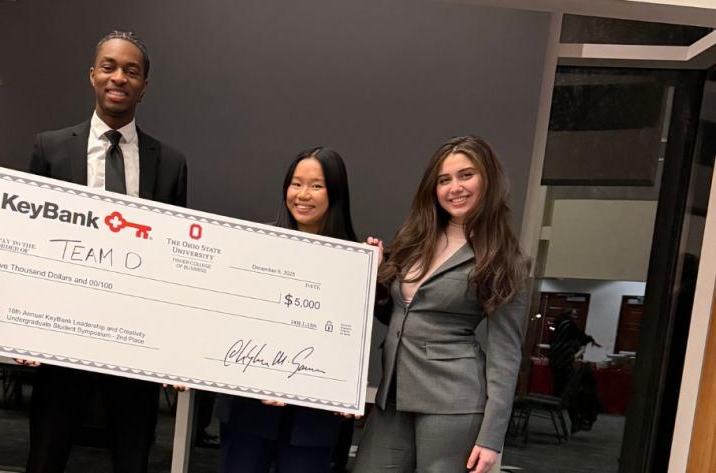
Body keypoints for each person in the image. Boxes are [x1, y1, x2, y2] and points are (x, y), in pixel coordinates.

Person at [21, 30, 188, 473]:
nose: (119, 77)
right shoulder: (51, 149)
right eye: (109, 67)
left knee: (132, 461)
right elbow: (28, 245)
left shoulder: (170, 164)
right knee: (45, 459)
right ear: (92, 75)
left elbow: (174, 263)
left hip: (136, 351)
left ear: (144, 86)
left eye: (131, 71)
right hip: (61, 340)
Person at [353, 135, 529, 473]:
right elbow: (399, 317)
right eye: (444, 179)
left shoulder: (505, 258)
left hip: (454, 403)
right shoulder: (415, 238)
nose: (454, 187)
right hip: (393, 396)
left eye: (466, 175)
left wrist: (492, 436)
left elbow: (507, 355)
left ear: (488, 180)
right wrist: (374, 276)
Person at [215, 147, 360, 473]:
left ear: (335, 193)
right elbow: (233, 320)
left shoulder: (356, 260)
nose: (302, 195)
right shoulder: (256, 245)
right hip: (247, 413)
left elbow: (347, 342)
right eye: (296, 184)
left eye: (316, 186)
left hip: (313, 422)